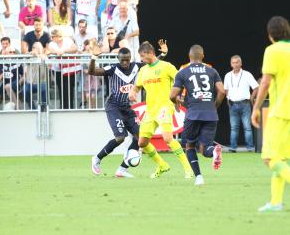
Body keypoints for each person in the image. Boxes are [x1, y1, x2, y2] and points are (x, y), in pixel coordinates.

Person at [251, 16, 290, 213]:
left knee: (269, 159)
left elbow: (266, 82)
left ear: (270, 35)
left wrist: (255, 107)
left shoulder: (272, 50)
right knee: (280, 159)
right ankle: (276, 202)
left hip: (280, 112)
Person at [89, 40, 168, 177]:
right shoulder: (112, 69)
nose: (125, 63)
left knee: (141, 139)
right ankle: (96, 159)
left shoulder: (137, 67)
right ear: (118, 59)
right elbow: (92, 72)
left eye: (127, 60)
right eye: (122, 60)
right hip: (113, 107)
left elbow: (152, 62)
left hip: (127, 108)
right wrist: (94, 58)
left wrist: (164, 54)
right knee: (120, 137)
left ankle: (122, 169)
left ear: (130, 59)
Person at [128, 42, 193, 179]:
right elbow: (137, 86)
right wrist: (133, 92)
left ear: (151, 53)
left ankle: (188, 169)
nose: (141, 59)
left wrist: (179, 96)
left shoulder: (166, 67)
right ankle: (162, 165)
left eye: (142, 55)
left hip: (165, 106)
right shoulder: (143, 70)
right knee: (142, 142)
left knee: (168, 138)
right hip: (150, 110)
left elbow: (181, 80)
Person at [170, 44, 225, 185]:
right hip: (211, 114)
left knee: (189, 146)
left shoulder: (183, 72)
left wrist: (179, 102)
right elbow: (222, 92)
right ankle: (214, 152)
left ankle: (199, 177)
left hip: (193, 113)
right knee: (205, 147)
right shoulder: (212, 71)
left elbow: (172, 95)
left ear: (189, 57)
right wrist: (214, 106)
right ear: (203, 56)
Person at [223, 55, 259, 152]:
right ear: (231, 64)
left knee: (247, 127)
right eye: (233, 63)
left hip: (245, 104)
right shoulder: (227, 75)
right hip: (232, 104)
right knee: (234, 127)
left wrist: (251, 98)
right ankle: (233, 147)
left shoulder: (247, 74)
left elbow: (256, 87)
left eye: (237, 62)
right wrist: (228, 99)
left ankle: (250, 147)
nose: (235, 64)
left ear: (241, 63)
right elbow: (226, 90)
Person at [47, 27, 79, 109]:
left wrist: (64, 51)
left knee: (69, 88)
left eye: (53, 36)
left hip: (69, 68)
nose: (51, 38)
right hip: (58, 70)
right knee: (61, 89)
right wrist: (57, 52)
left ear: (58, 36)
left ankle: (70, 107)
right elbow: (49, 50)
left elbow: (75, 48)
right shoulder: (51, 43)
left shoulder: (68, 40)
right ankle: (63, 107)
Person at [23, 41, 47, 110]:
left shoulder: (44, 56)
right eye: (33, 47)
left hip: (41, 82)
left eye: (37, 48)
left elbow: (45, 62)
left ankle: (43, 107)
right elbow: (25, 63)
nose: (34, 49)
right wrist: (28, 56)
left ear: (41, 49)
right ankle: (32, 107)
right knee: (25, 90)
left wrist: (37, 55)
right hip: (30, 82)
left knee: (44, 89)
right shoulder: (29, 56)